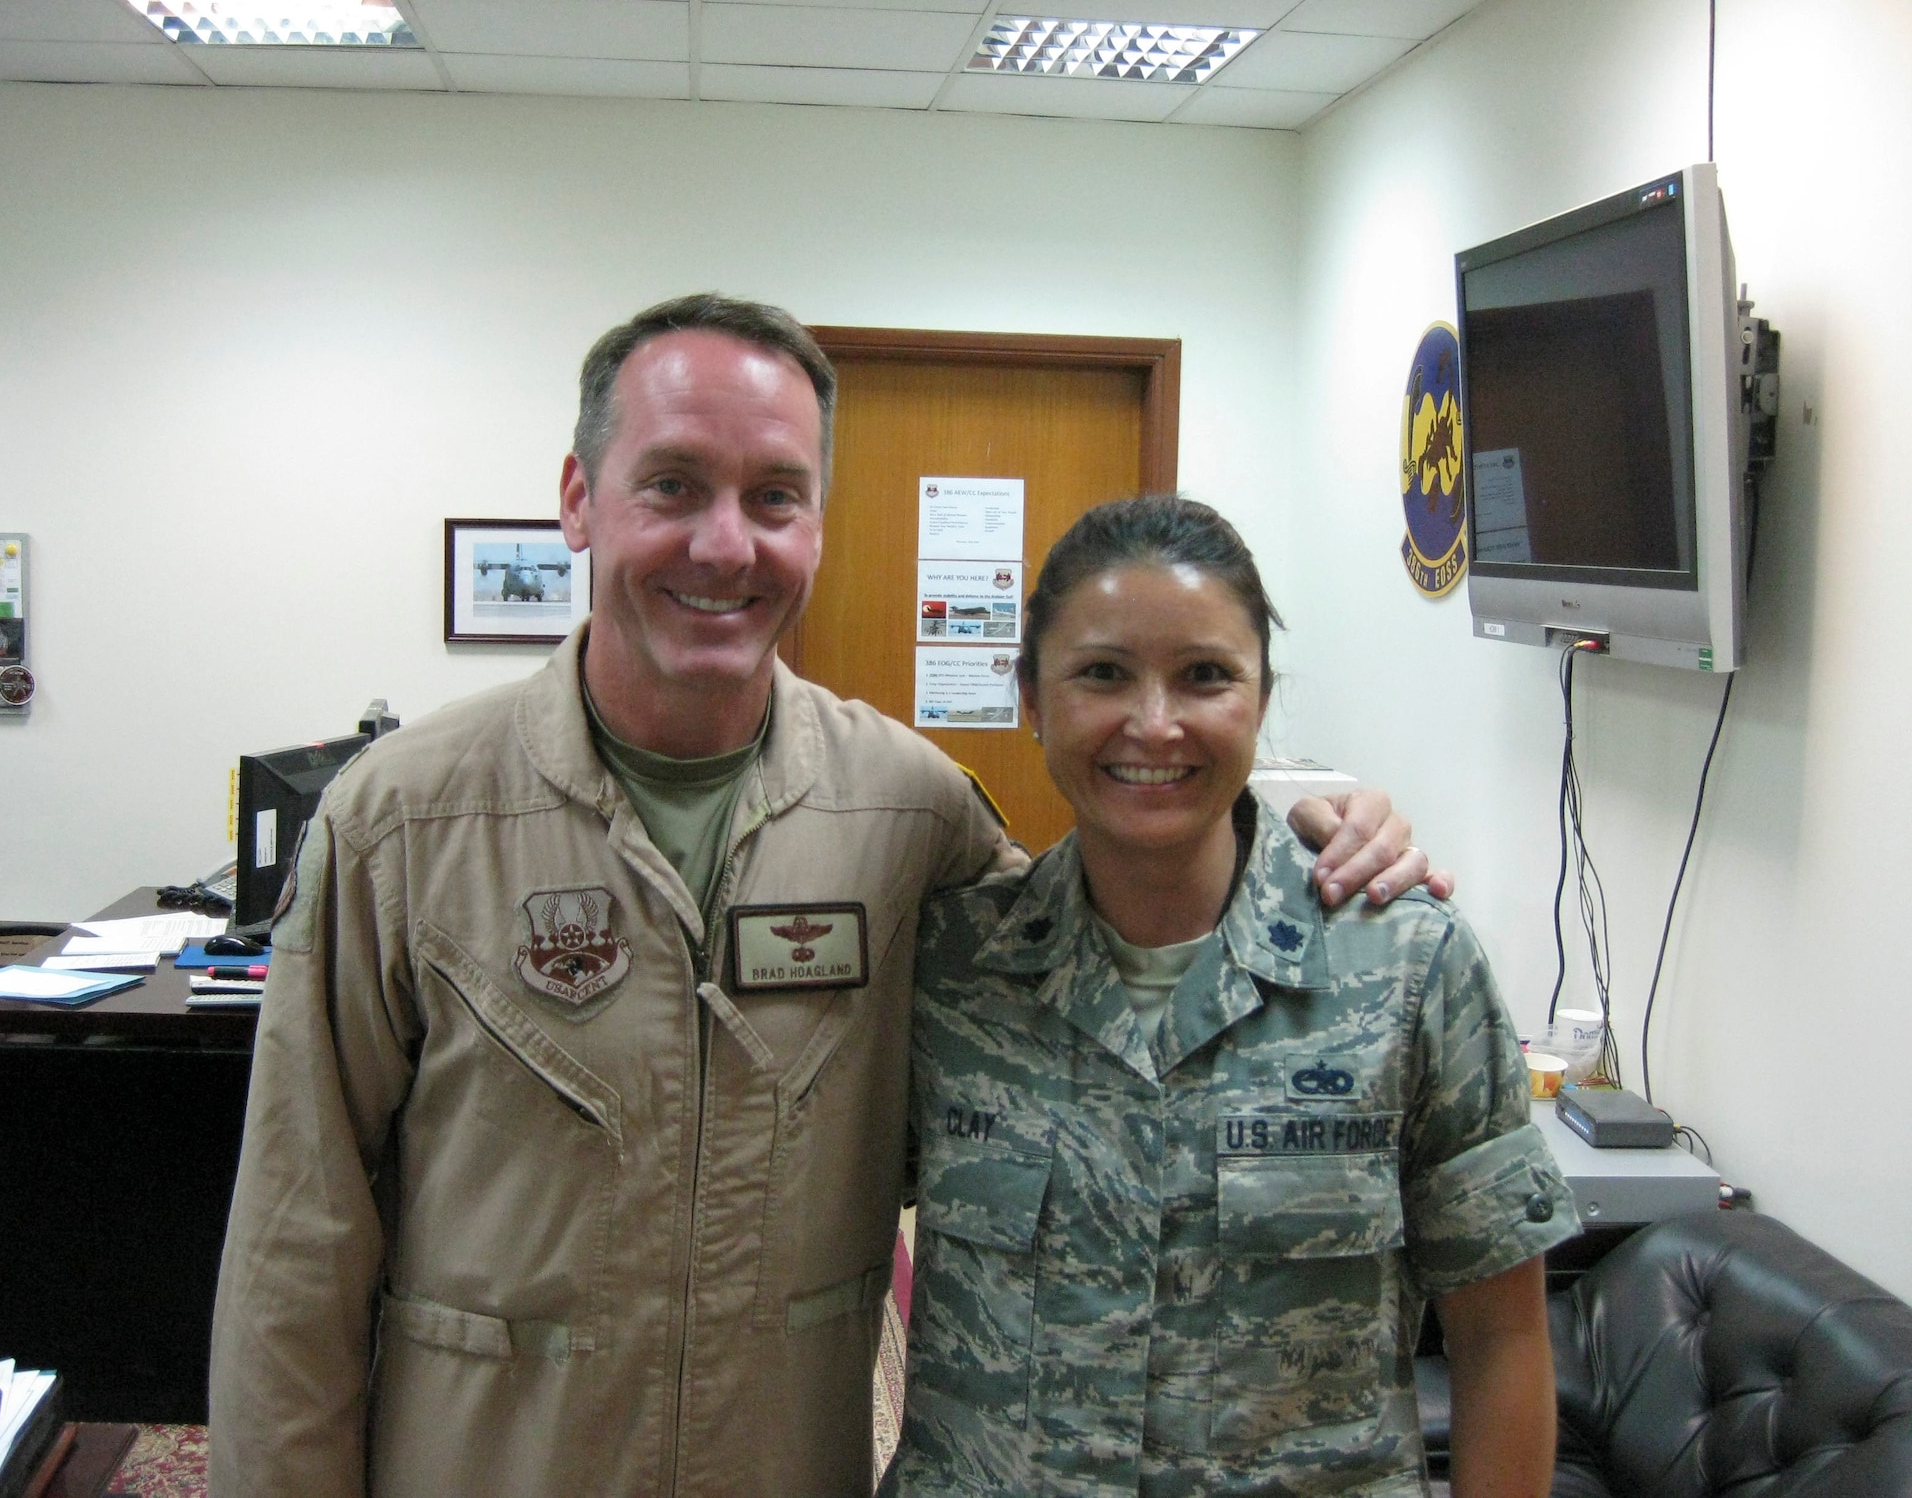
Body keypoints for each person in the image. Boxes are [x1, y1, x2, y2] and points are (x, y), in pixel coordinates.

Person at [208, 296, 1438, 1498]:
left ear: (817, 525)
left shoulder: (911, 813)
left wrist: (1299, 840)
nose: (724, 544)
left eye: (774, 497)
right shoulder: (407, 820)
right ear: (579, 500)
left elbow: (1110, 962)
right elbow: (293, 1248)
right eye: (672, 485)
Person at [892, 495, 1579, 1497]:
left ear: (1259, 701)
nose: (1155, 722)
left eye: (1205, 676)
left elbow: (1501, 1338)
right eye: (1101, 674)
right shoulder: (949, 964)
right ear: (1031, 699)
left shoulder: (1405, 968)